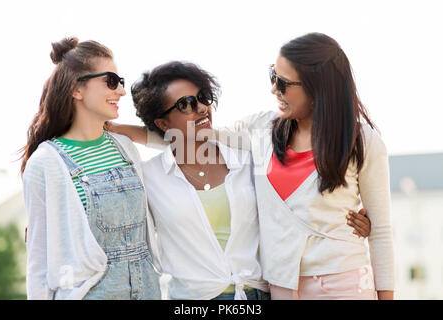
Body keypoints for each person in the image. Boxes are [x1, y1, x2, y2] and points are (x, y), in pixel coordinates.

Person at [107, 59, 373, 300]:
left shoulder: (248, 158)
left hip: (260, 295)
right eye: (185, 104)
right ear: (162, 124)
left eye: (203, 97)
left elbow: (297, 205)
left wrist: (346, 220)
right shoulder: (148, 176)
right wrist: (115, 129)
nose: (201, 108)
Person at [20, 37, 161, 300]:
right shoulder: (46, 162)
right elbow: (39, 260)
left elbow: (181, 140)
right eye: (110, 81)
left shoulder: (125, 148)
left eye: (121, 83)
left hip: (148, 291)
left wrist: (118, 128)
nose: (120, 91)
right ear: (76, 89)